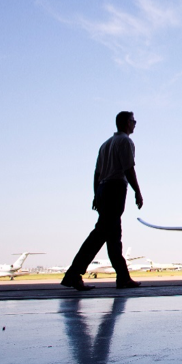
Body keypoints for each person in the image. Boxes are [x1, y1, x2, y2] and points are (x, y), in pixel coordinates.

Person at [61, 111, 144, 291]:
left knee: (113, 236)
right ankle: (73, 274)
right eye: (133, 121)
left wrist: (96, 194)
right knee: (100, 234)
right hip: (115, 189)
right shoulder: (125, 141)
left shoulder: (105, 145)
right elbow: (128, 169)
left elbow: (97, 173)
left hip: (103, 189)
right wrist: (137, 191)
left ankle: (123, 277)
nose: (135, 123)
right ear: (126, 123)